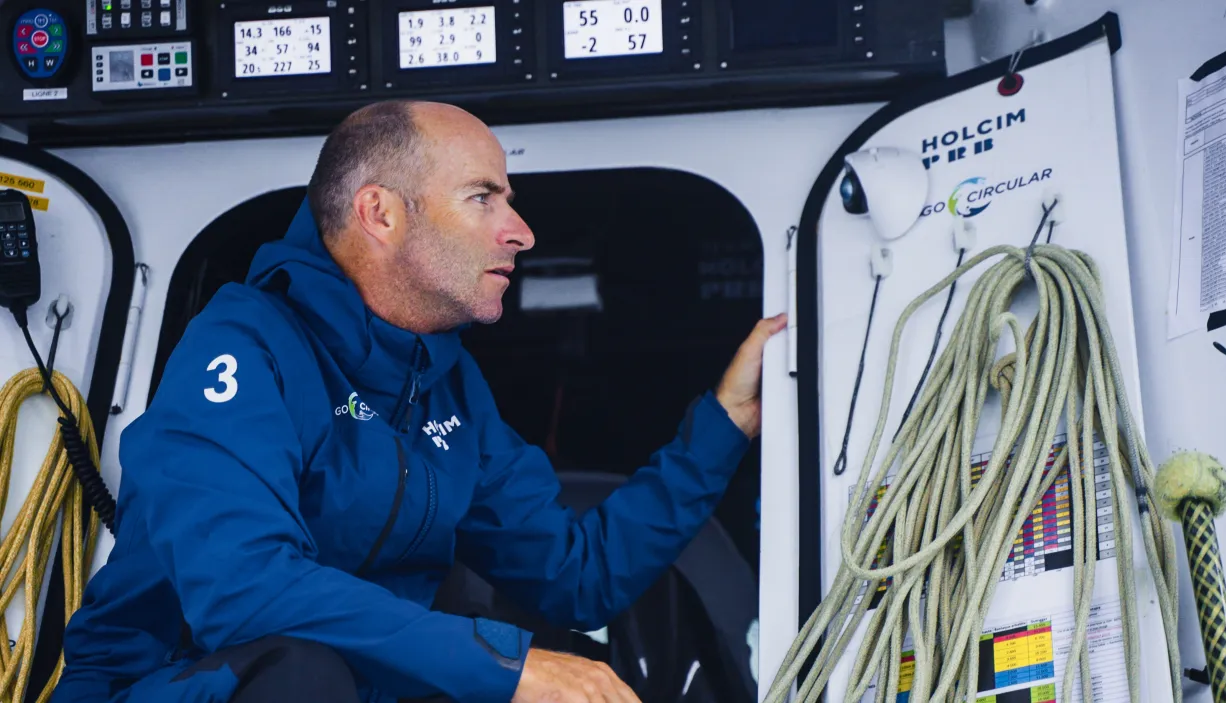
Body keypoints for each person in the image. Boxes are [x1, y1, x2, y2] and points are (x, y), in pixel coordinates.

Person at [53, 100, 785, 703]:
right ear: (380, 213)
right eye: (482, 197)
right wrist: (504, 666)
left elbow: (576, 576)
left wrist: (724, 425)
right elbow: (244, 588)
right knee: (305, 677)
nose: (521, 231)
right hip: (166, 682)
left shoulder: (449, 384)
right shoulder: (244, 346)